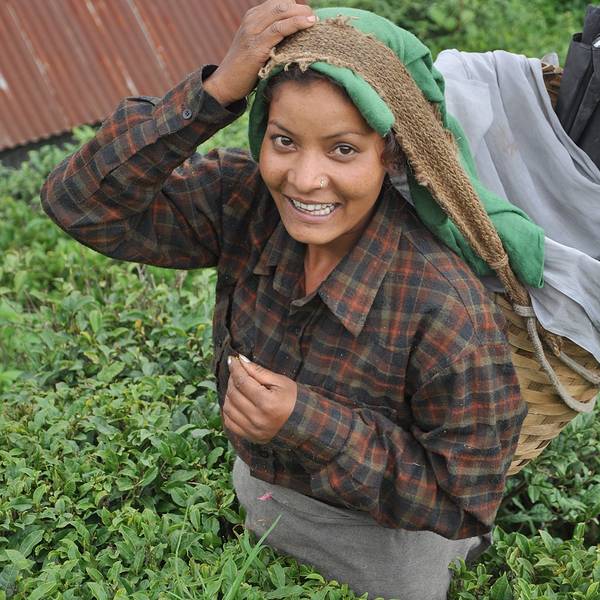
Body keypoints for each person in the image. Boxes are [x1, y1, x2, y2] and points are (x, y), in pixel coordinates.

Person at [41, 2, 529, 598]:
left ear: (390, 153)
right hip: (261, 497)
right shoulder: (246, 203)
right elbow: (82, 203)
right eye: (284, 141)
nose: (303, 179)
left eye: (343, 149)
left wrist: (306, 423)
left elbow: (464, 500)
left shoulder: (447, 310)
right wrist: (217, 90)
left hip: (385, 555)